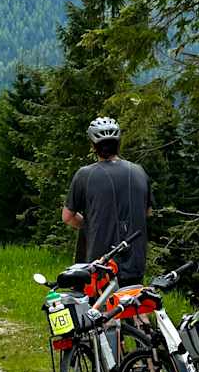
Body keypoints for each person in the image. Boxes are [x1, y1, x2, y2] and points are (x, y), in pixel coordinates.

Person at [62, 117, 154, 286]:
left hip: (101, 262)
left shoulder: (85, 175)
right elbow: (147, 212)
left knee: (99, 309)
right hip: (135, 259)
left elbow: (68, 217)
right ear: (118, 144)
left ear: (93, 146)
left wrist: (89, 224)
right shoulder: (139, 171)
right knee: (133, 304)